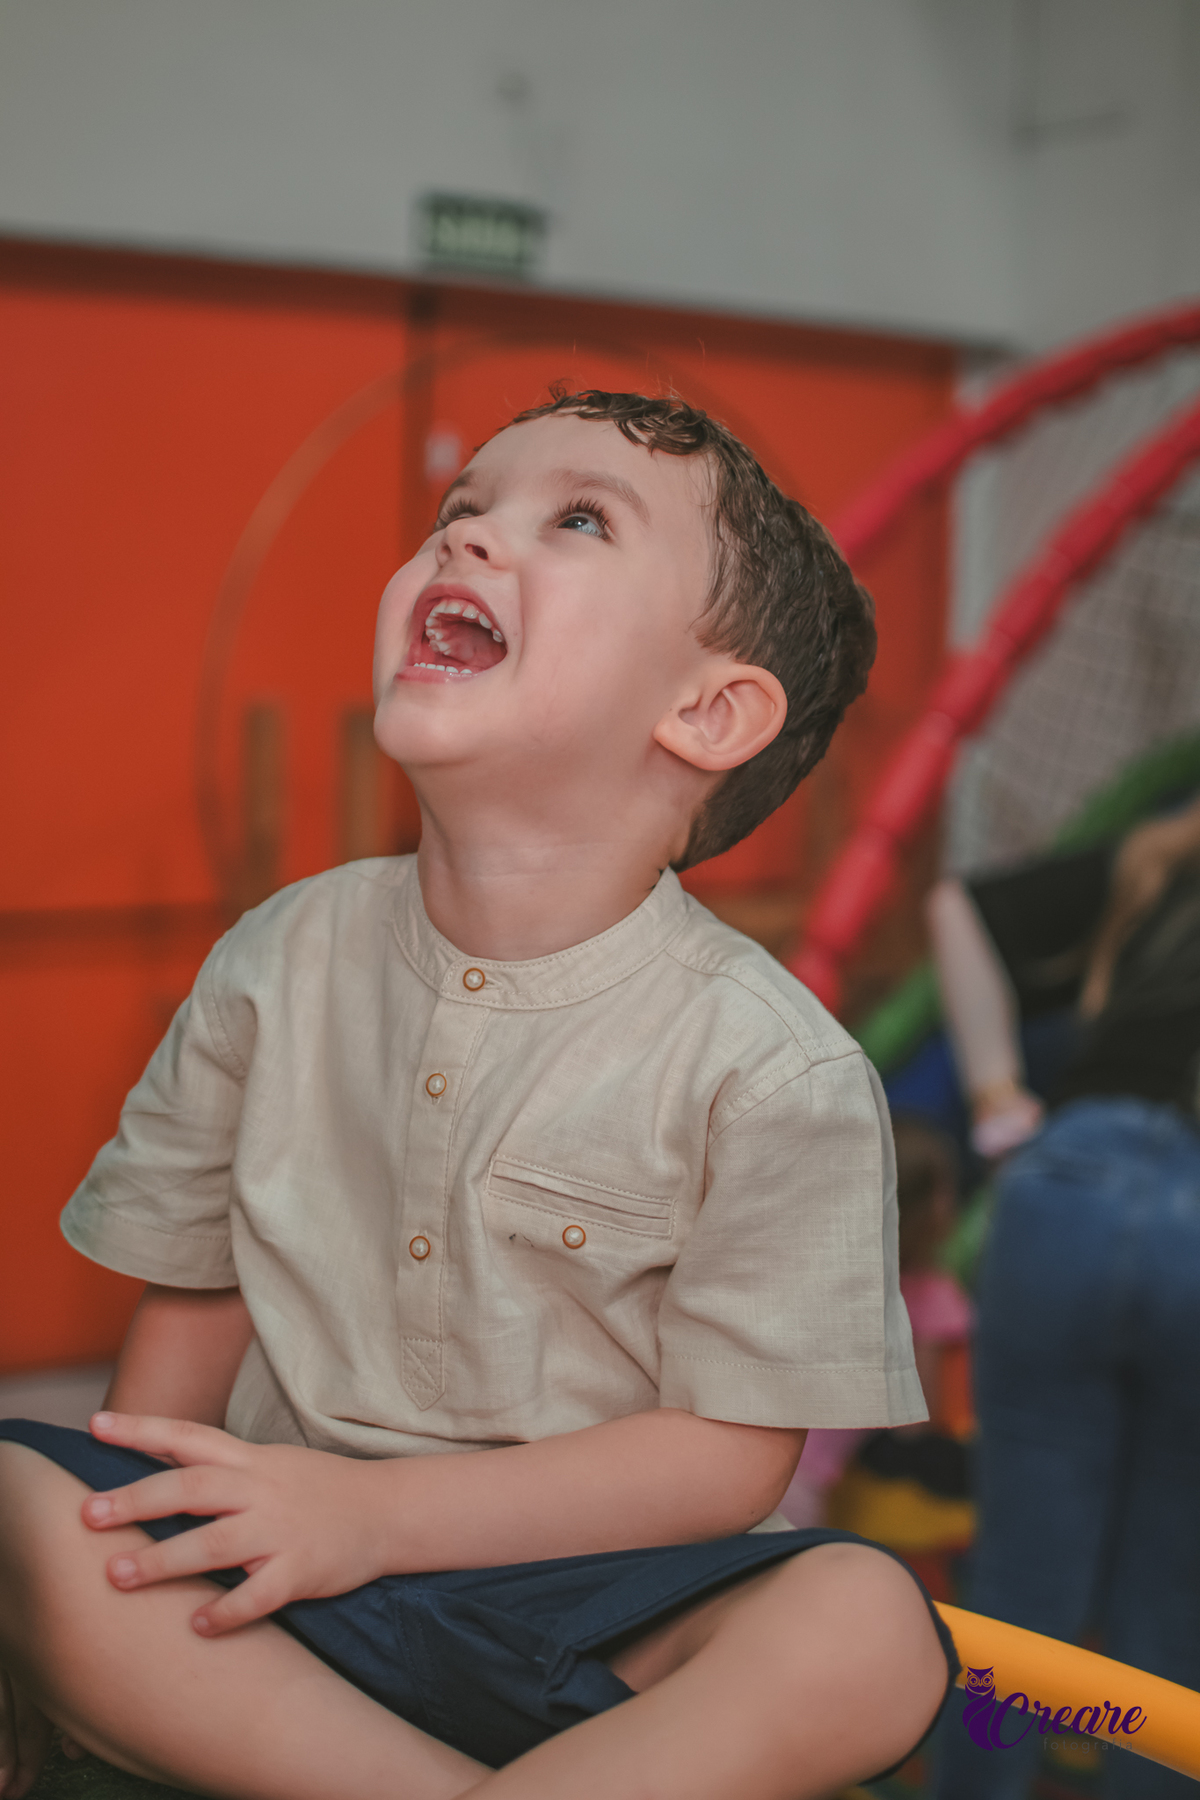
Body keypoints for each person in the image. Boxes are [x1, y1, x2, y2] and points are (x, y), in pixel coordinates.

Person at [0, 390, 957, 1800]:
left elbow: (729, 1460)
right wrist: (148, 1532)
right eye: (462, 511)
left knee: (865, 1626)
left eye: (574, 519)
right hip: (284, 1613)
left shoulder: (774, 1067)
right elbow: (199, 1292)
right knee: (21, 1501)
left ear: (706, 711)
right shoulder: (277, 959)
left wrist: (377, 1515)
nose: (469, 542)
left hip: (589, 1617)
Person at [929, 798, 1200, 1800]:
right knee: (1170, 1612)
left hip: (1072, 1181)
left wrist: (1000, 1101)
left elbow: (960, 906)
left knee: (1020, 1593)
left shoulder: (1164, 854)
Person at [780, 1117, 973, 1532]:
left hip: (746, 1452)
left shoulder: (817, 1266)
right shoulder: (929, 1298)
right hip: (800, 1486)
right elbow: (915, 1421)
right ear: (937, 1209)